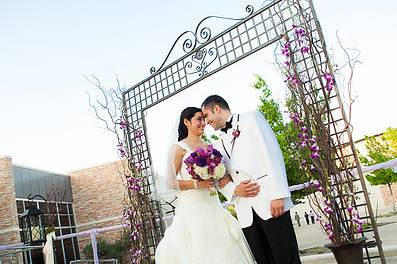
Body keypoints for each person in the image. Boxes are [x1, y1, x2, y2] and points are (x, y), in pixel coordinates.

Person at [202, 95, 301, 264]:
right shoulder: (218, 143)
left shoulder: (252, 118)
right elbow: (220, 178)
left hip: (270, 202)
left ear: (216, 109)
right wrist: (234, 190)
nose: (206, 122)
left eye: (206, 116)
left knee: (286, 258)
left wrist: (279, 195)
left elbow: (272, 154)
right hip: (245, 210)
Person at [155, 107, 255, 264]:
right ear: (187, 122)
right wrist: (196, 183)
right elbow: (169, 181)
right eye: (199, 119)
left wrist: (233, 186)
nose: (203, 123)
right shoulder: (179, 148)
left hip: (213, 203)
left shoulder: (211, 147)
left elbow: (221, 178)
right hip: (192, 208)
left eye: (204, 119)